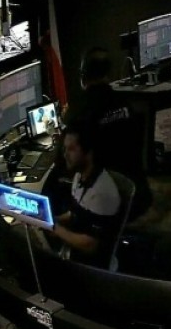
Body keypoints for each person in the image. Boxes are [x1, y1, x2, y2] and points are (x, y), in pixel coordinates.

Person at [47, 47, 150, 220]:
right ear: (108, 73)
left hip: (104, 198)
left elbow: (62, 161)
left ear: (82, 75)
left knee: (52, 183)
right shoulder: (125, 102)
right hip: (137, 191)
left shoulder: (78, 110)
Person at [47, 120, 122, 269]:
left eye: (71, 149)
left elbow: (90, 245)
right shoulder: (79, 176)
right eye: (64, 149)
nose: (65, 155)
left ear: (88, 153)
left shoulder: (101, 192)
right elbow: (77, 213)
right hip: (74, 249)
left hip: (91, 266)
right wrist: (50, 220)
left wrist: (56, 229)